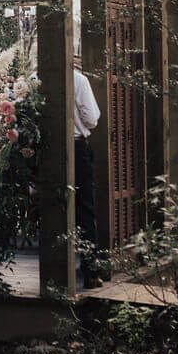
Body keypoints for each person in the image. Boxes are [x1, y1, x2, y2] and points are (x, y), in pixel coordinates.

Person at [73, 60, 104, 289]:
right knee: (85, 207)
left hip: (46, 148)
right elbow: (91, 119)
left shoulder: (35, 79)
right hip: (76, 147)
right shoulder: (79, 80)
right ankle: (90, 270)